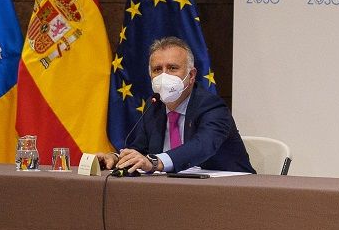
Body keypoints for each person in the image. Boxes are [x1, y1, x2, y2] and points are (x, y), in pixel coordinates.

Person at [99, 37, 255, 174]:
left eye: (172, 68)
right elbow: (140, 151)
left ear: (191, 75)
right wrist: (116, 158)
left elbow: (203, 145)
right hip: (174, 187)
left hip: (231, 189)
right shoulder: (154, 106)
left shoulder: (211, 106)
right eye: (157, 69)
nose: (164, 76)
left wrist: (156, 162)